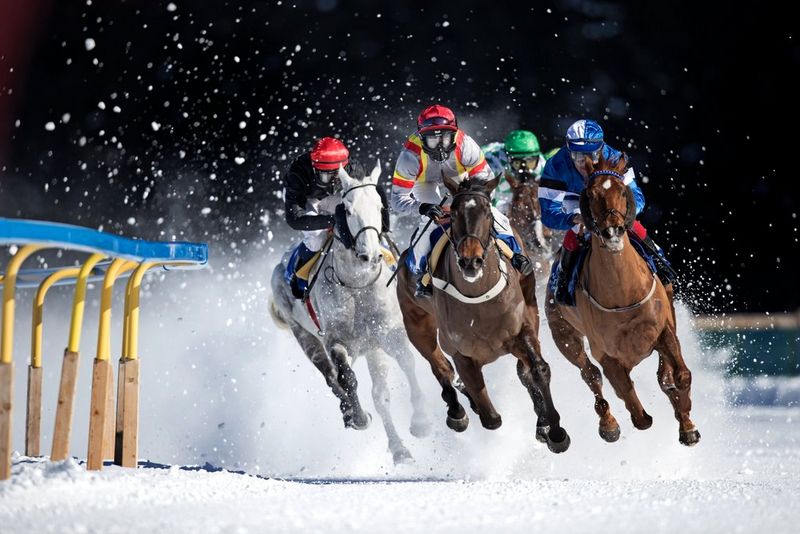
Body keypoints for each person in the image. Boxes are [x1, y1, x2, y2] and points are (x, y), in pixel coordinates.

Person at [391, 104, 534, 298]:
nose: (440, 146)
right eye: (432, 140)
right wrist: (422, 208)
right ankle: (421, 272)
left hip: (460, 177)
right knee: (432, 222)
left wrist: (472, 204)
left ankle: (515, 255)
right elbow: (397, 201)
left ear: (455, 134)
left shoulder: (466, 145)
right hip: (424, 182)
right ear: (421, 138)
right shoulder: (409, 156)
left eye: (445, 138)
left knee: (491, 213)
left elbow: (485, 182)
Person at [538, 119, 677, 305]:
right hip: (575, 200)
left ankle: (659, 261)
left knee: (633, 226)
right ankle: (562, 280)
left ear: (601, 150)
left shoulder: (615, 158)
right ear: (568, 151)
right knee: (576, 232)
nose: (585, 163)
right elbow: (548, 213)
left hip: (608, 200)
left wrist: (622, 215)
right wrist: (573, 218)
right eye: (578, 156)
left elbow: (637, 198)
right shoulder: (554, 166)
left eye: (592, 156)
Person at [283, 136, 388, 298]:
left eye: (337, 175)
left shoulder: (354, 169)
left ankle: (390, 261)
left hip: (340, 196)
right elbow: (294, 219)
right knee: (317, 238)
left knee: (366, 225)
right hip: (308, 199)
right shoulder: (297, 173)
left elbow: (372, 194)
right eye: (327, 176)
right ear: (315, 168)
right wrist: (330, 221)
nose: (332, 181)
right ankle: (299, 274)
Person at [482, 129, 558, 213]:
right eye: (517, 162)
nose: (525, 169)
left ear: (538, 157)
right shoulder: (493, 169)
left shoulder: (545, 167)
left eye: (530, 162)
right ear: (508, 159)